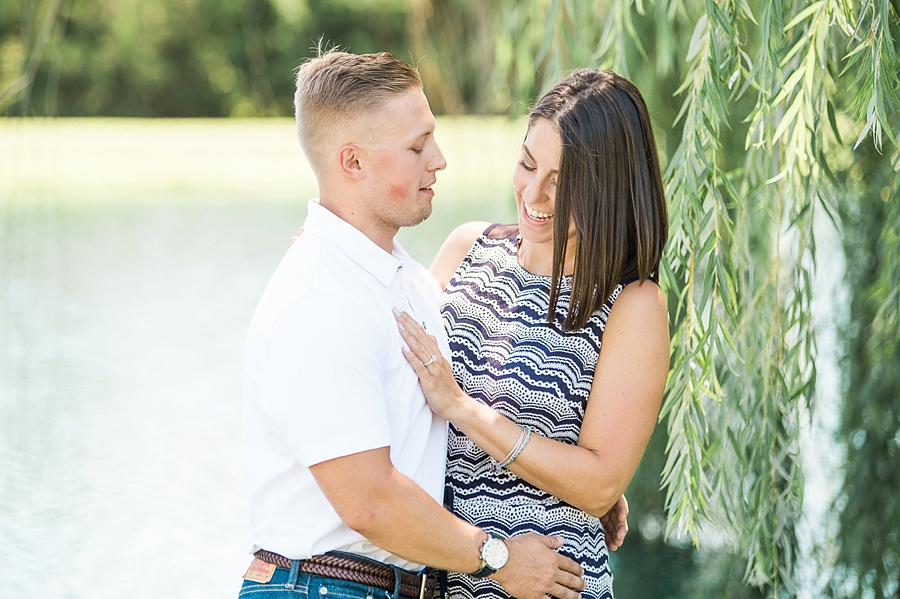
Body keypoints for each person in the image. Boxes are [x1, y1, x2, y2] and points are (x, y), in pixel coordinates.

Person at [239, 50, 595, 599]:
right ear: (352, 162)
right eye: (416, 146)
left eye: (432, 136)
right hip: (321, 587)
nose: (440, 159)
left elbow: (451, 412)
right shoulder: (321, 299)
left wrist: (569, 482)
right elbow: (370, 503)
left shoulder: (404, 281)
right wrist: (498, 560)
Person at [393, 69, 669, 599]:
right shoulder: (466, 248)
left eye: (562, 181)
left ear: (609, 189)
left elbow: (598, 485)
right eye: (526, 163)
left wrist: (466, 410)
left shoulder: (631, 305)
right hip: (431, 579)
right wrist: (338, 262)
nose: (534, 193)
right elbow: (394, 366)